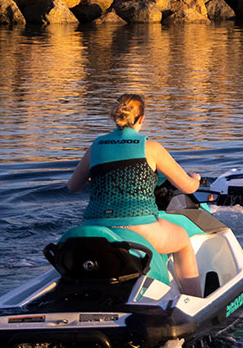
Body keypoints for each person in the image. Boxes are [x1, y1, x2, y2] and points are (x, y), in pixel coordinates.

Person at [68, 94, 203, 297]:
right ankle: (195, 301)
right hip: (138, 227)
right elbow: (188, 187)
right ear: (141, 119)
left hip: (95, 227)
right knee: (183, 240)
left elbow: (73, 187)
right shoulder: (151, 148)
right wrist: (196, 178)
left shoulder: (96, 146)